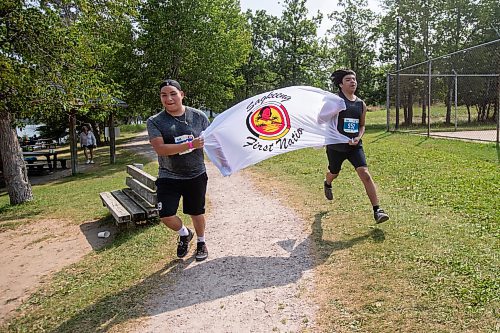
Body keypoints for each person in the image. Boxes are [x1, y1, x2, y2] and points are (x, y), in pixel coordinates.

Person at [147, 79, 210, 261]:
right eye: (164, 95)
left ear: (182, 95)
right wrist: (191, 144)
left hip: (195, 173)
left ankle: (201, 242)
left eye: (173, 94)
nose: (169, 98)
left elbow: (213, 140)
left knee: (196, 211)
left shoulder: (198, 117)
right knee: (166, 214)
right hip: (169, 175)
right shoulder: (155, 121)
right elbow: (160, 149)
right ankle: (184, 233)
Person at [323, 69, 389, 224]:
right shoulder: (334, 101)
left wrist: (358, 138)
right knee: (334, 172)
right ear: (340, 84)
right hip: (336, 146)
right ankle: (327, 183)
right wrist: (333, 111)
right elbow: (321, 119)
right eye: (348, 79)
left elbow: (362, 126)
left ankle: (377, 210)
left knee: (365, 174)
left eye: (354, 79)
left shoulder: (361, 104)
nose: (352, 81)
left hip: (354, 146)